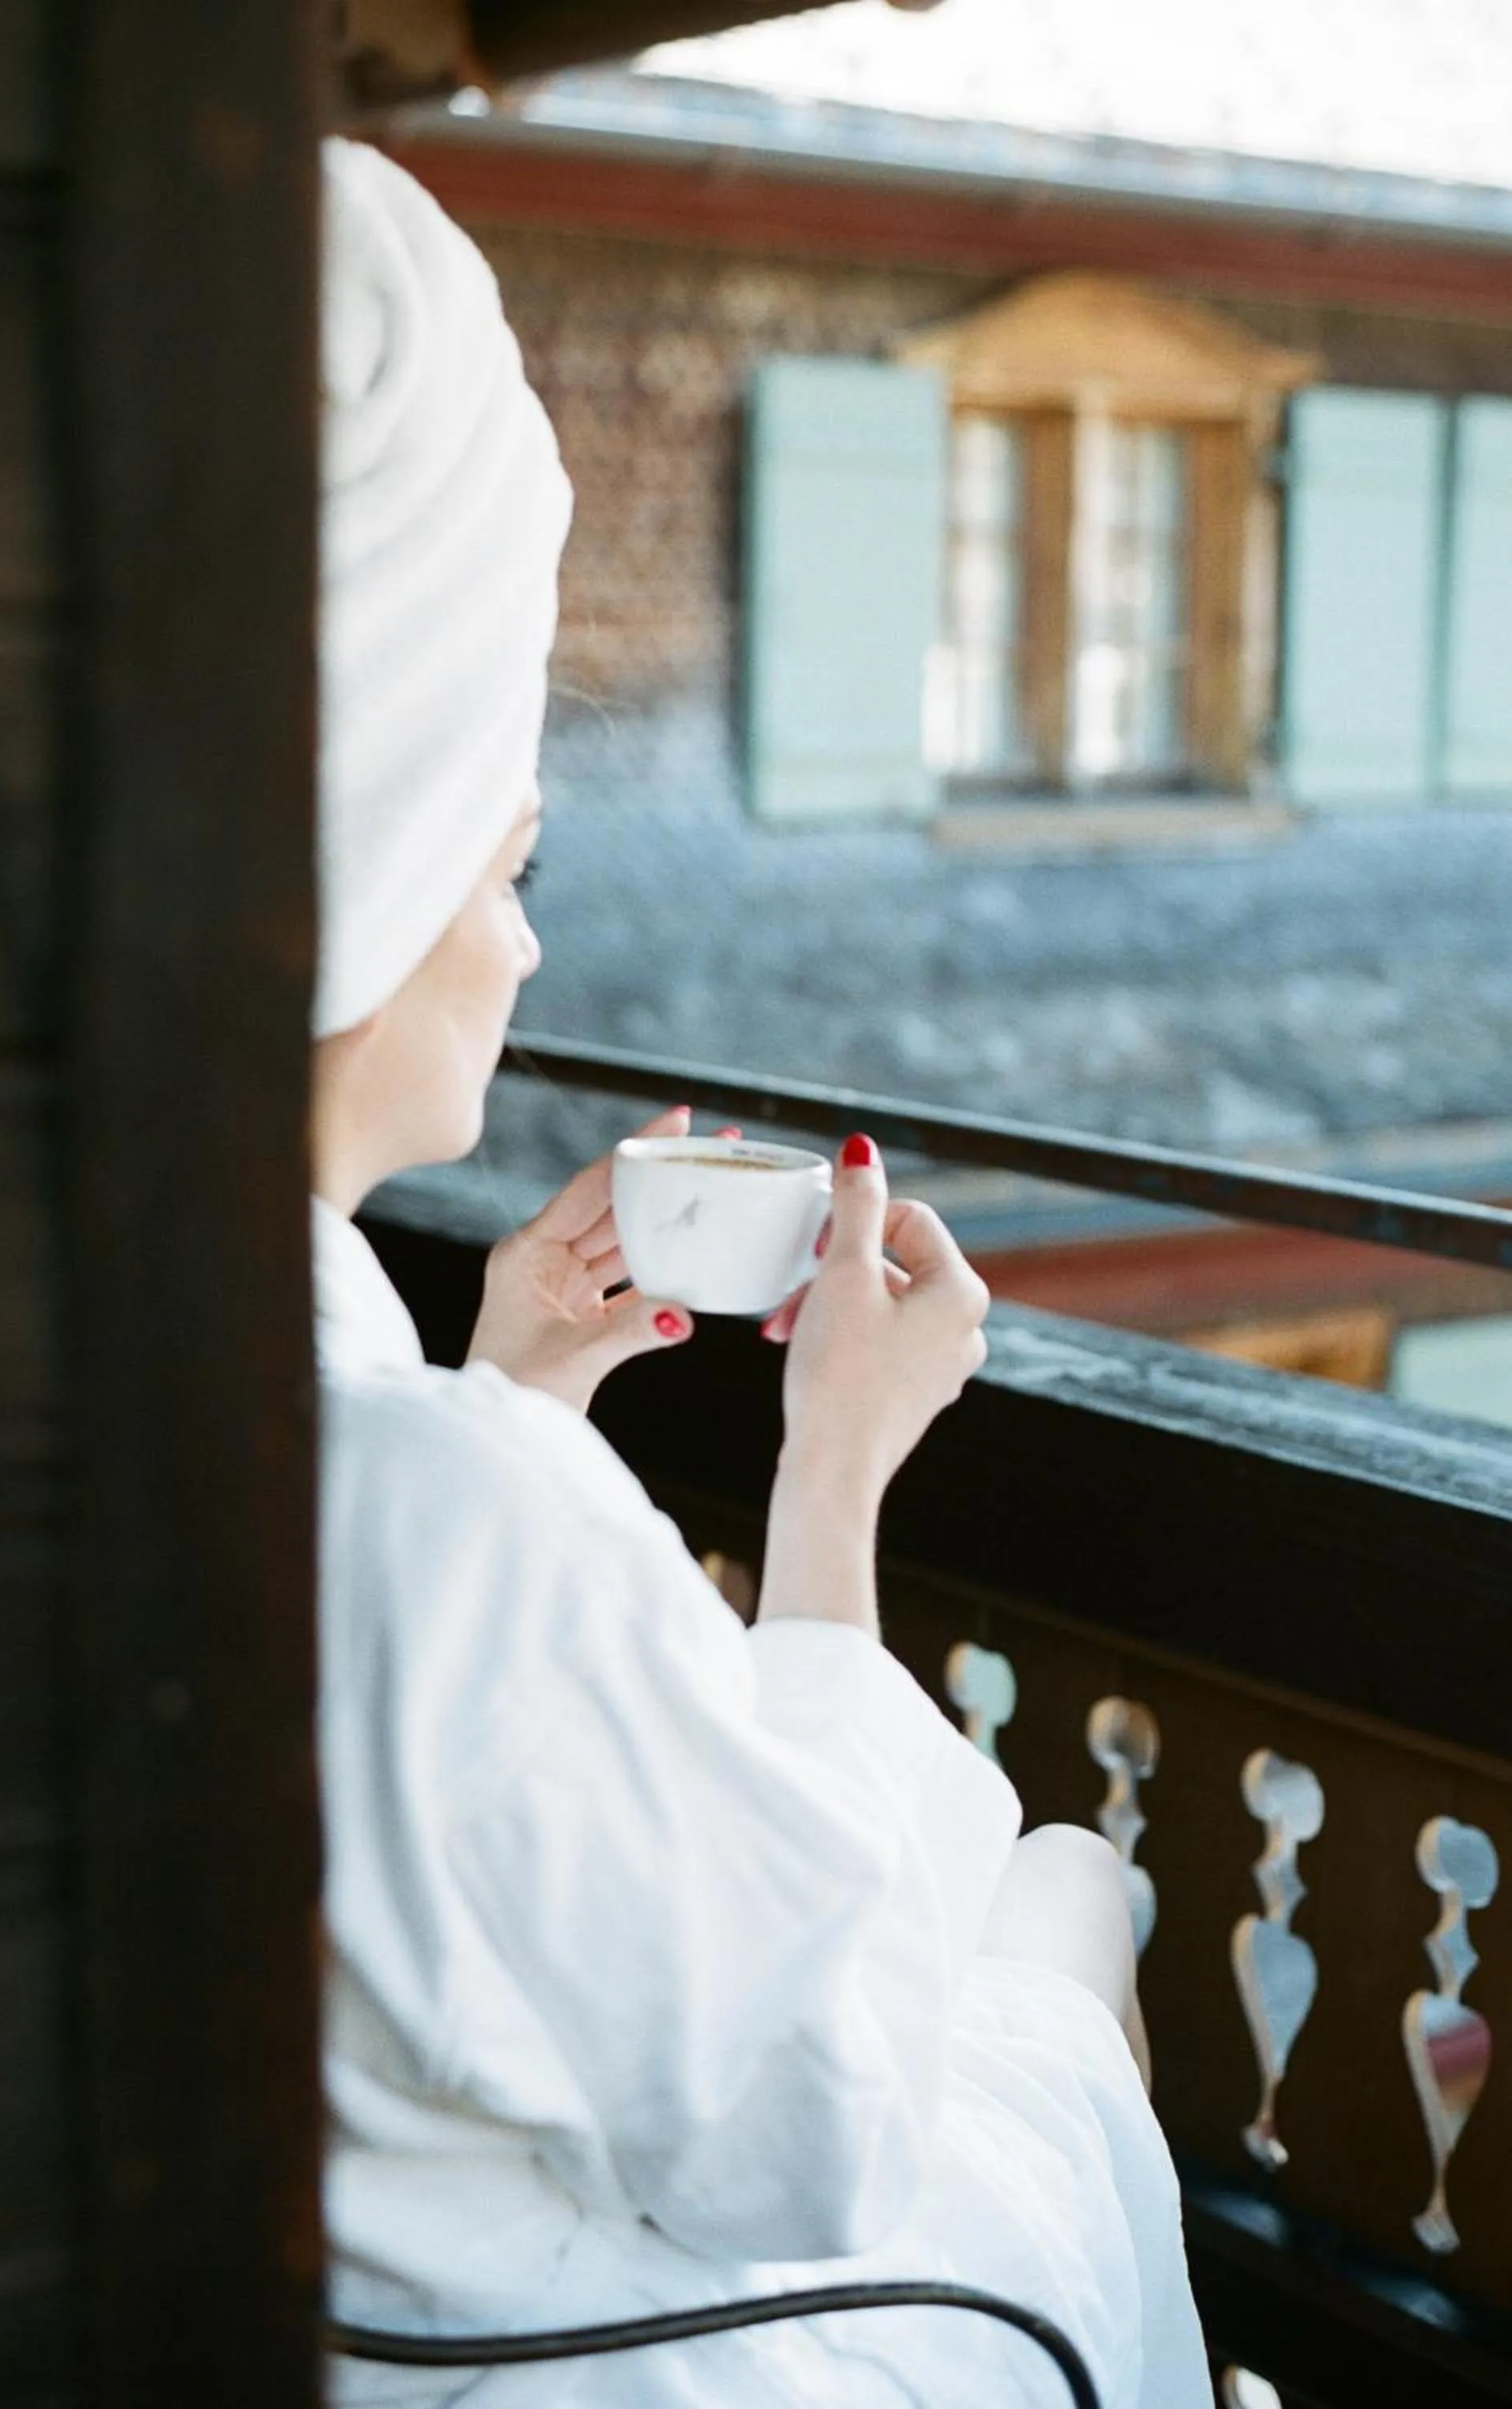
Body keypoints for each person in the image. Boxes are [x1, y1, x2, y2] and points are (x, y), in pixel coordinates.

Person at [313, 137, 1211, 2408]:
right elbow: (804, 2131)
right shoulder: (429, 1509)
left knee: (1028, 1910)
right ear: (361, 877)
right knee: (1063, 1905)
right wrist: (831, 1489)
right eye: (499, 862)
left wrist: (511, 1382)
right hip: (590, 2361)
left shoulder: (258, 1432)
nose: (523, 945)